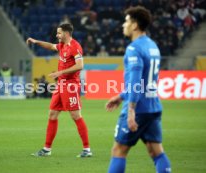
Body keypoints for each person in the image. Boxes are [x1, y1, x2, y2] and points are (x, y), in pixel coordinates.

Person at [105, 6, 171, 173]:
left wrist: (131, 110)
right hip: (153, 106)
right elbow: (146, 79)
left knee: (119, 150)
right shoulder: (153, 46)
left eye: (126, 21)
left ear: (134, 25)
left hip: (139, 108)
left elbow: (135, 81)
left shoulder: (134, 49)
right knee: (155, 150)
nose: (123, 25)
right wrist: (120, 97)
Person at [26, 23, 92, 158]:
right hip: (61, 85)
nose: (57, 35)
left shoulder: (75, 46)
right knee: (52, 114)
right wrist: (36, 42)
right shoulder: (62, 46)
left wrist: (60, 72)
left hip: (71, 85)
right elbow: (50, 46)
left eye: (59, 33)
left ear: (66, 33)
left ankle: (87, 150)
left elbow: (80, 65)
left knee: (76, 116)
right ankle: (46, 149)